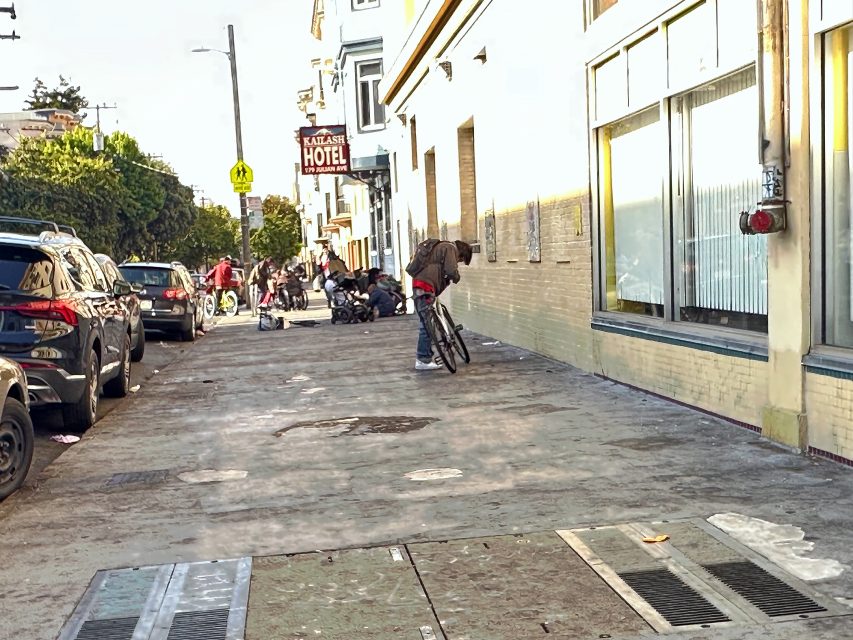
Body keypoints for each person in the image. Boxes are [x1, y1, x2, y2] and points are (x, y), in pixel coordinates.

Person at [408, 239, 472, 370]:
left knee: (427, 321)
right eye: (460, 260)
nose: (458, 262)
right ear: (461, 253)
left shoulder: (441, 247)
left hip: (421, 285)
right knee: (427, 325)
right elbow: (451, 270)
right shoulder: (450, 248)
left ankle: (425, 356)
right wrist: (456, 277)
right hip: (425, 286)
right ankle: (423, 359)